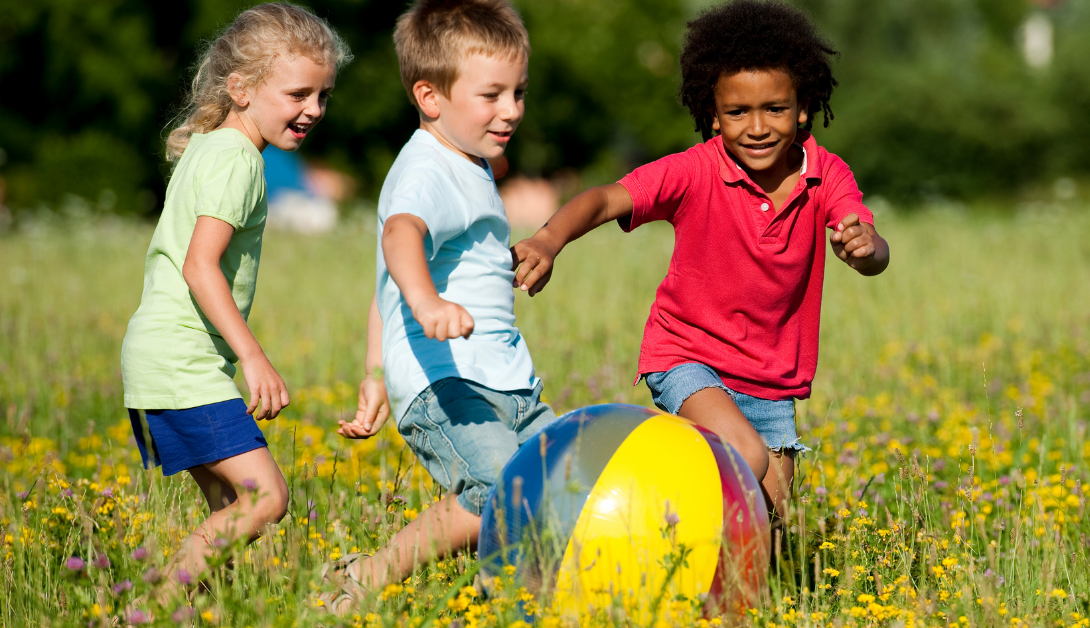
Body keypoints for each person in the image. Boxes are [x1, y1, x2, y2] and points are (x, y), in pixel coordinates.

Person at [511, 0, 890, 515]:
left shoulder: (828, 175)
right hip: (688, 358)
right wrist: (547, 240)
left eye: (775, 109)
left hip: (773, 382)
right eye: (738, 112)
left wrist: (865, 248)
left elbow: (870, 244)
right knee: (745, 455)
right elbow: (604, 198)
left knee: (770, 525)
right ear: (714, 116)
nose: (757, 127)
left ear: (802, 108)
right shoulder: (693, 172)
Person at [326, 0, 553, 610]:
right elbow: (399, 239)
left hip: (504, 379)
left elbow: (386, 283)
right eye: (492, 95)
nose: (511, 110)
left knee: (558, 481)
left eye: (518, 92)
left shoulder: (467, 163)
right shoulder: (427, 171)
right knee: (502, 489)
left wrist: (375, 370)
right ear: (431, 97)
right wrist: (428, 305)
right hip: (448, 379)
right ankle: (377, 577)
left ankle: (535, 597)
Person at [120, 1, 350, 600]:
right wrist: (253, 356)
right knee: (265, 497)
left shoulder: (212, 147)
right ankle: (153, 610)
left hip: (163, 356)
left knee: (230, 508)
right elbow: (201, 265)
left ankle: (201, 609)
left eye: (323, 96)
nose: (313, 110)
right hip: (183, 360)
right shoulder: (238, 160)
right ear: (240, 88)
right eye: (298, 93)